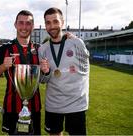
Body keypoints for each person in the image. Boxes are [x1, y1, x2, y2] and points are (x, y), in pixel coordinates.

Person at [0, 10, 49, 135]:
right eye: (21, 23)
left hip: (34, 108)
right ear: (15, 25)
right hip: (12, 108)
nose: (24, 27)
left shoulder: (40, 49)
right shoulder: (4, 48)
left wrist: (45, 71)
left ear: (32, 26)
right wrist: (3, 66)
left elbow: (43, 79)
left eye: (28, 23)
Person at [38, 7, 90, 135]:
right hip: (53, 103)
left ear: (62, 22)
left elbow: (86, 69)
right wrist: (45, 72)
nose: (52, 26)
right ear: (45, 25)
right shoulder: (43, 49)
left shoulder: (76, 43)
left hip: (76, 103)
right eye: (48, 23)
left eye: (55, 21)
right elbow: (43, 80)